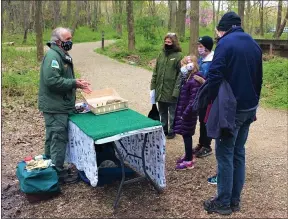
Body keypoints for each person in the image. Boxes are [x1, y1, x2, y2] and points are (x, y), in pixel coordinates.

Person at [203, 12, 263, 215]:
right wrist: (254, 105)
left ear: (224, 28)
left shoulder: (225, 44)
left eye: (218, 30)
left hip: (231, 110)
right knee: (239, 153)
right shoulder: (253, 44)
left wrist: (211, 100)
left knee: (225, 154)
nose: (217, 34)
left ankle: (223, 202)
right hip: (248, 108)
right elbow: (259, 78)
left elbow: (214, 74)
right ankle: (235, 200)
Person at [38, 27, 92, 184]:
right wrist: (74, 83)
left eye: (71, 38)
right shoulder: (53, 57)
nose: (70, 42)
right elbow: (52, 81)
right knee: (57, 138)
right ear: (57, 41)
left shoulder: (62, 55)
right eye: (67, 39)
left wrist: (76, 83)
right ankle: (58, 173)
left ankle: (50, 167)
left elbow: (62, 77)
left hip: (60, 105)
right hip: (55, 107)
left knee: (53, 137)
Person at [174, 55, 204, 170]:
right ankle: (188, 155)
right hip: (184, 113)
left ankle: (188, 161)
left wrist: (184, 114)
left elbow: (193, 101)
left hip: (187, 115)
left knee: (187, 135)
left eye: (185, 65)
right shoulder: (187, 78)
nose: (183, 67)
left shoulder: (194, 81)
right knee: (185, 134)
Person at [150, 33, 183, 139]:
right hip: (160, 88)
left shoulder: (179, 56)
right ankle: (163, 128)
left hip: (172, 89)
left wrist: (176, 91)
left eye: (169, 42)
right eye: (166, 42)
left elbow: (180, 75)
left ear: (174, 43)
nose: (167, 43)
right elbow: (155, 71)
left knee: (172, 112)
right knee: (162, 111)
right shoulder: (161, 54)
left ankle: (172, 130)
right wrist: (153, 86)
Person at [194, 36, 215, 158]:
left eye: (201, 46)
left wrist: (203, 81)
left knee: (206, 120)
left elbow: (212, 79)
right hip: (201, 95)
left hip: (208, 96)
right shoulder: (201, 60)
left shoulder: (212, 61)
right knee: (201, 120)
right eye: (198, 46)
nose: (199, 48)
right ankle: (201, 143)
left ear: (207, 47)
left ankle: (207, 145)